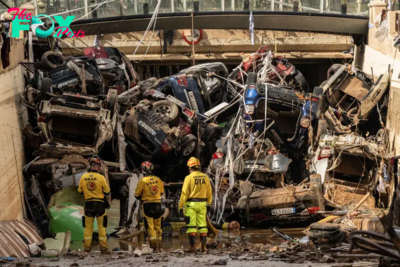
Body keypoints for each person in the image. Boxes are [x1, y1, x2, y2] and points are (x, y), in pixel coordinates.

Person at [78, 155, 111, 255]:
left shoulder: (83, 177)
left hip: (88, 204)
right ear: (98, 165)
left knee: (88, 227)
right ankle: (103, 249)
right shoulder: (101, 177)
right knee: (102, 227)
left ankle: (87, 249)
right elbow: (107, 191)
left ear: (90, 165)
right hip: (100, 205)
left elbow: (79, 191)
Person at [179, 157, 212, 253]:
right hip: (202, 204)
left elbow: (184, 193)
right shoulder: (205, 177)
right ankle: (204, 247)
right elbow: (209, 192)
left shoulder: (188, 178)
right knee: (202, 226)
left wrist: (181, 206)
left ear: (190, 167)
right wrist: (209, 203)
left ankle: (192, 247)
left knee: (191, 226)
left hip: (191, 205)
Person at [135, 161, 165, 253]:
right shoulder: (158, 180)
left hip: (147, 205)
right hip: (158, 205)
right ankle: (159, 246)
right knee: (158, 227)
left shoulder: (142, 181)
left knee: (150, 227)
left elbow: (137, 195)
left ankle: (154, 246)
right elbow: (162, 192)